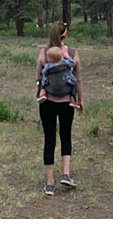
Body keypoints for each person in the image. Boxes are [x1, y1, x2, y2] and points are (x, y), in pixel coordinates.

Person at [35, 22, 83, 195]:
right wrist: (79, 100)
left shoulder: (43, 53)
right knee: (65, 135)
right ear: (65, 35)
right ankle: (66, 174)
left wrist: (40, 92)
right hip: (66, 102)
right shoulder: (73, 54)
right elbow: (77, 80)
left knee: (49, 138)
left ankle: (49, 182)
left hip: (47, 102)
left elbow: (38, 77)